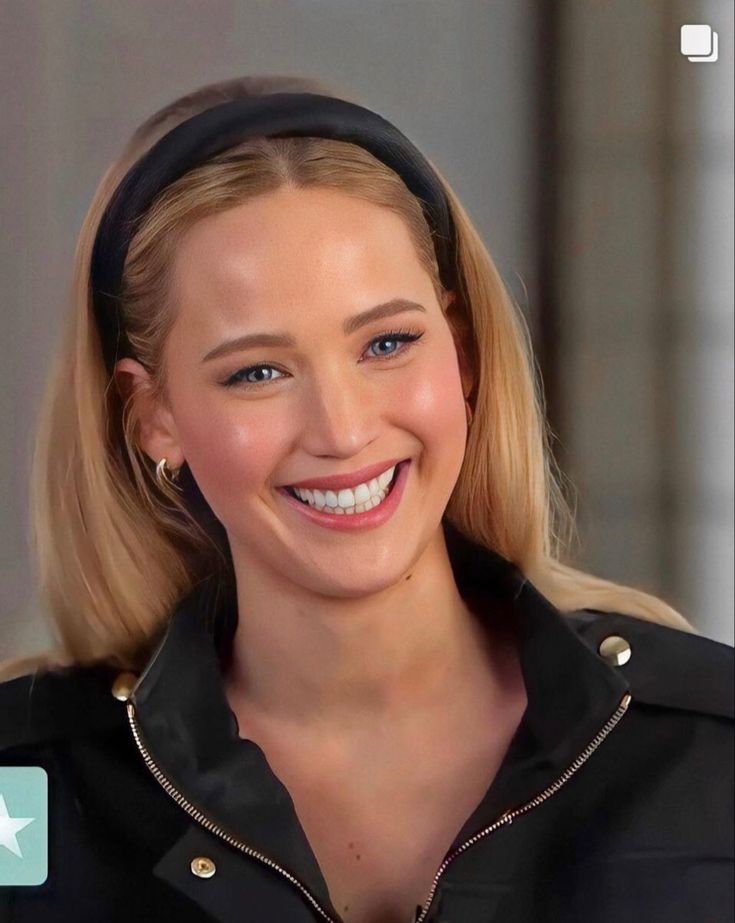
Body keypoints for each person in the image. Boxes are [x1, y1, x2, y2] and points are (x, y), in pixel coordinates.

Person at [0, 75, 732, 923]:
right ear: (154, 416)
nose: (342, 430)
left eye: (387, 342)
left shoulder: (706, 749)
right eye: (258, 371)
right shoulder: (29, 789)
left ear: (459, 355)